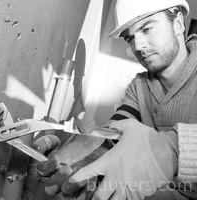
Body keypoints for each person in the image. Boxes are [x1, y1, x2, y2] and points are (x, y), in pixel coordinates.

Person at [35, 0, 197, 199]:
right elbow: (113, 135)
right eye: (130, 38)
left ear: (178, 23)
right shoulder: (139, 88)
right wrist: (84, 152)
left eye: (147, 29)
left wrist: (172, 148)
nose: (138, 46)